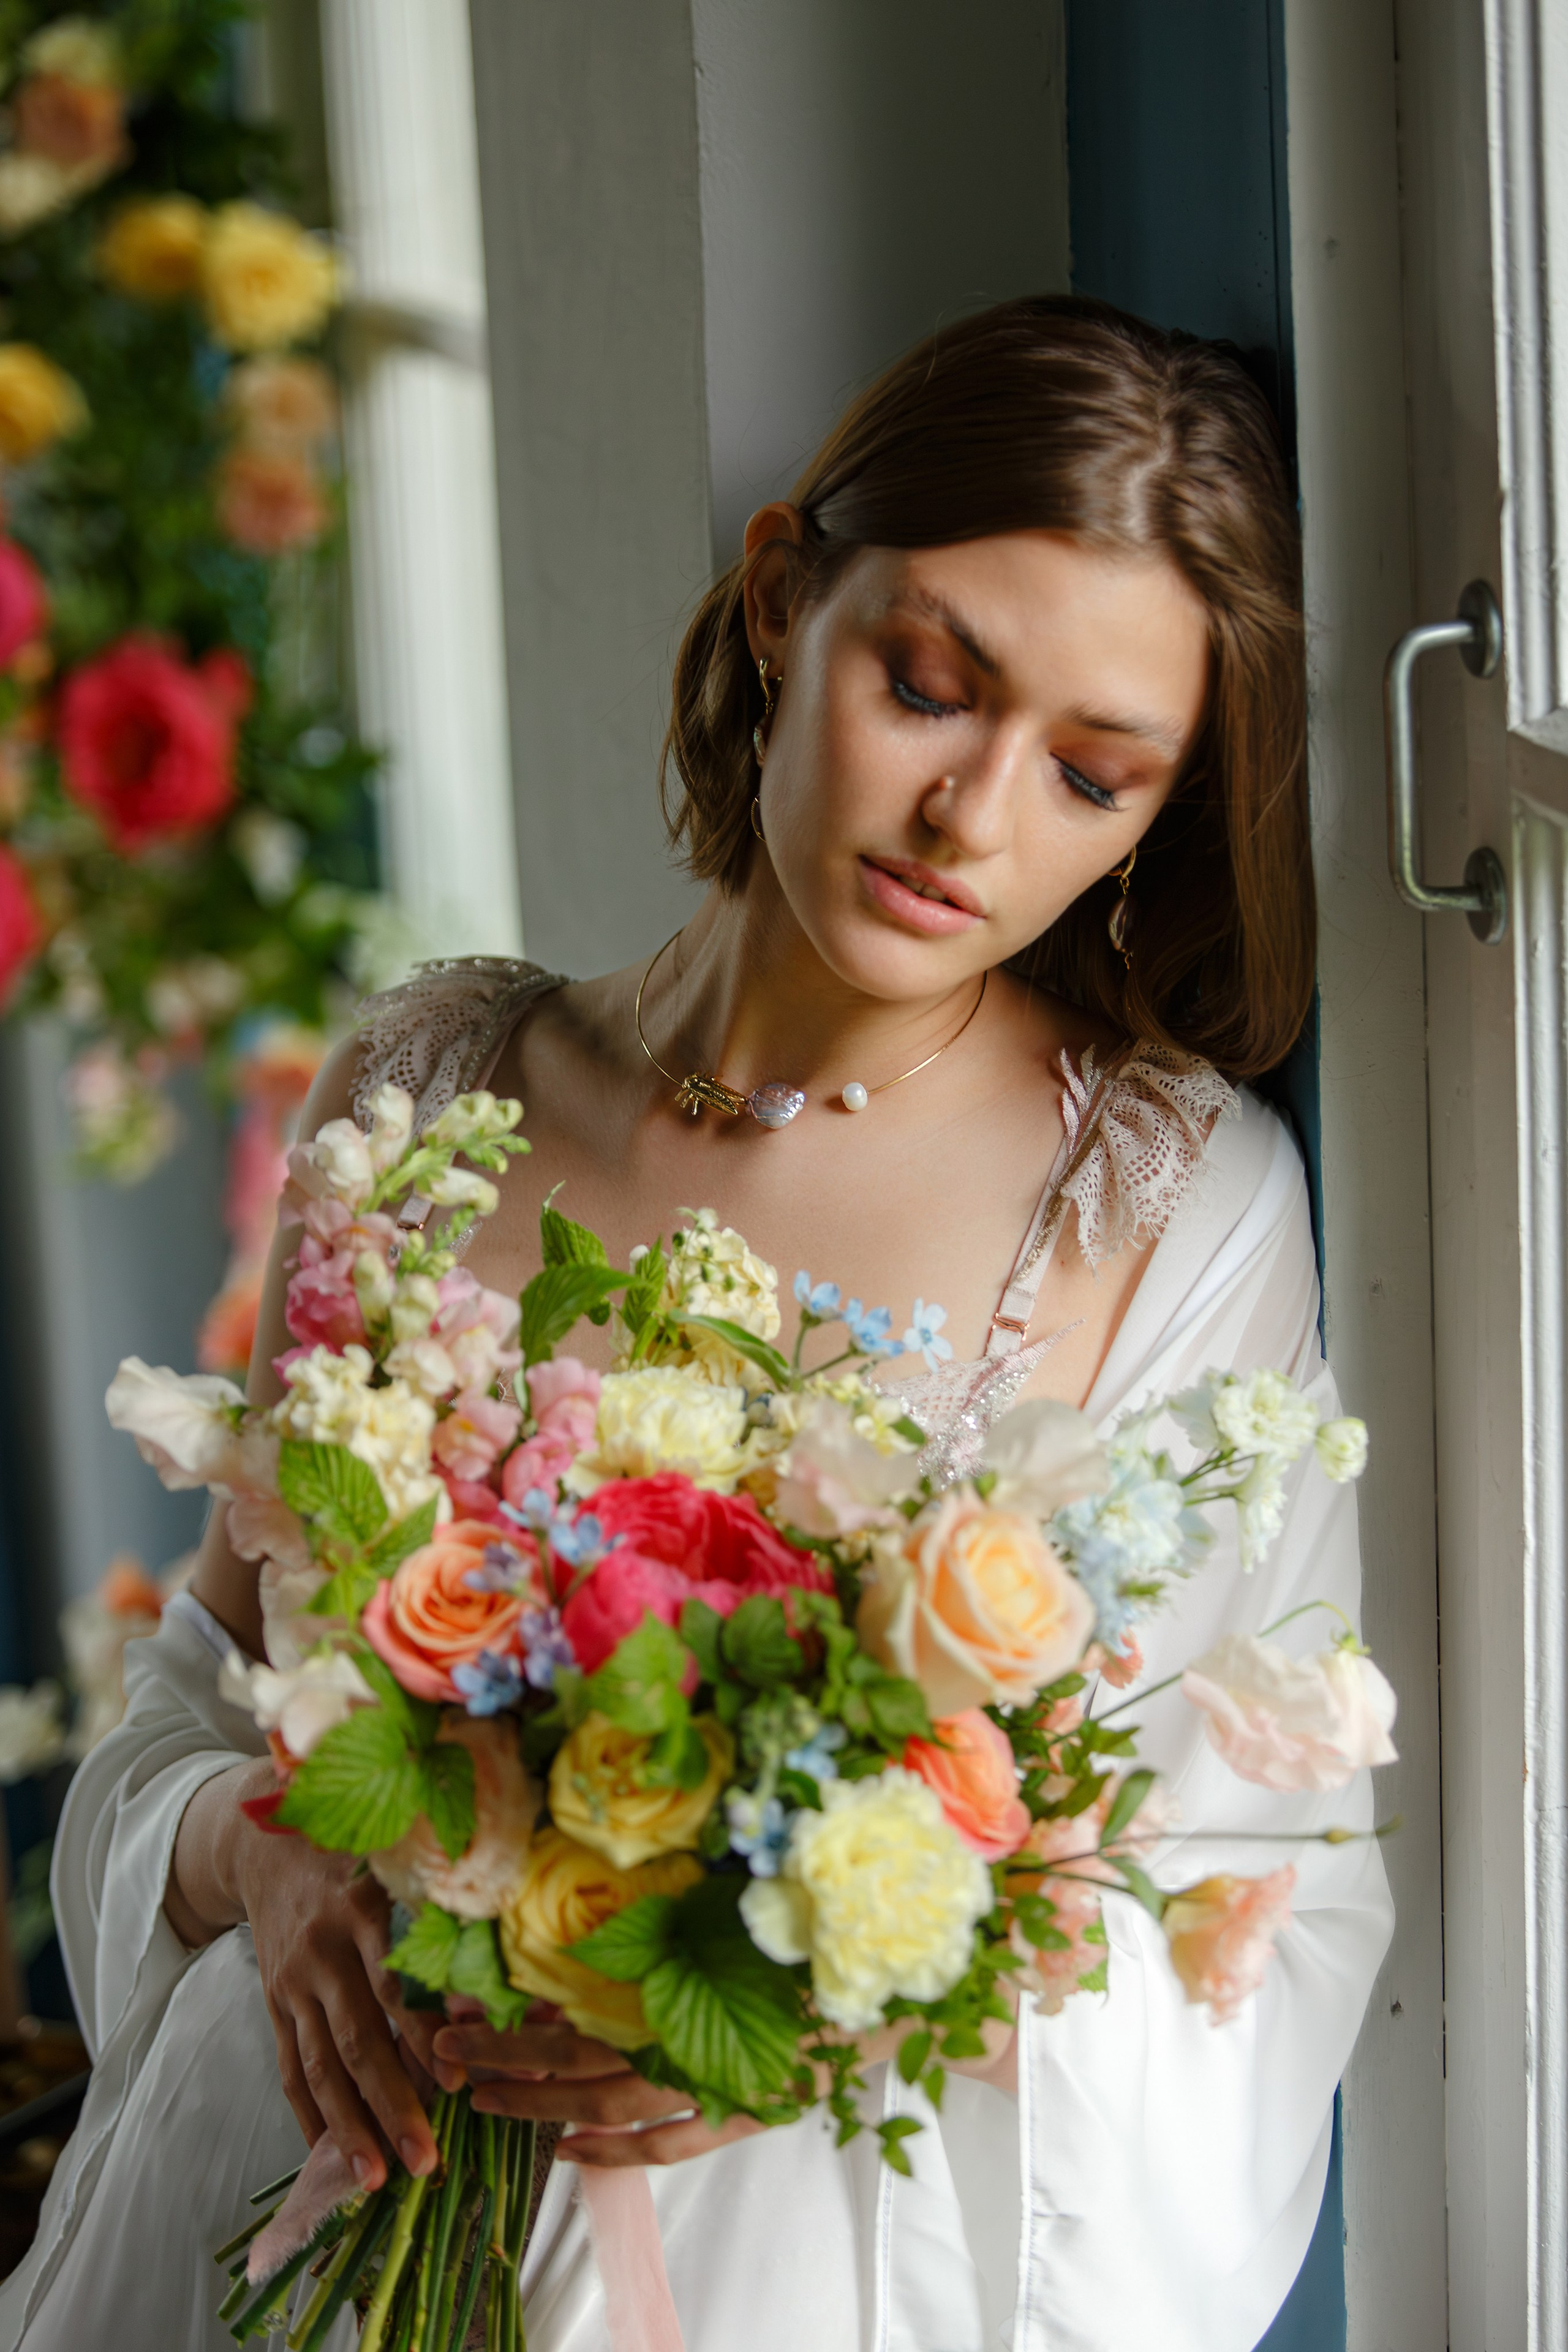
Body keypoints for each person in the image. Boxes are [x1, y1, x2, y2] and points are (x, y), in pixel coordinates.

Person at [2, 296, 1393, 2352]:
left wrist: (813, 2011)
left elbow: (1237, 1899)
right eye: (930, 686)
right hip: (279, 2189)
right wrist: (261, 1853)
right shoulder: (428, 1087)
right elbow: (196, 1707)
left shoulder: (1164, 1206)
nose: (974, 813)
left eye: (1093, 777)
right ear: (779, 599)